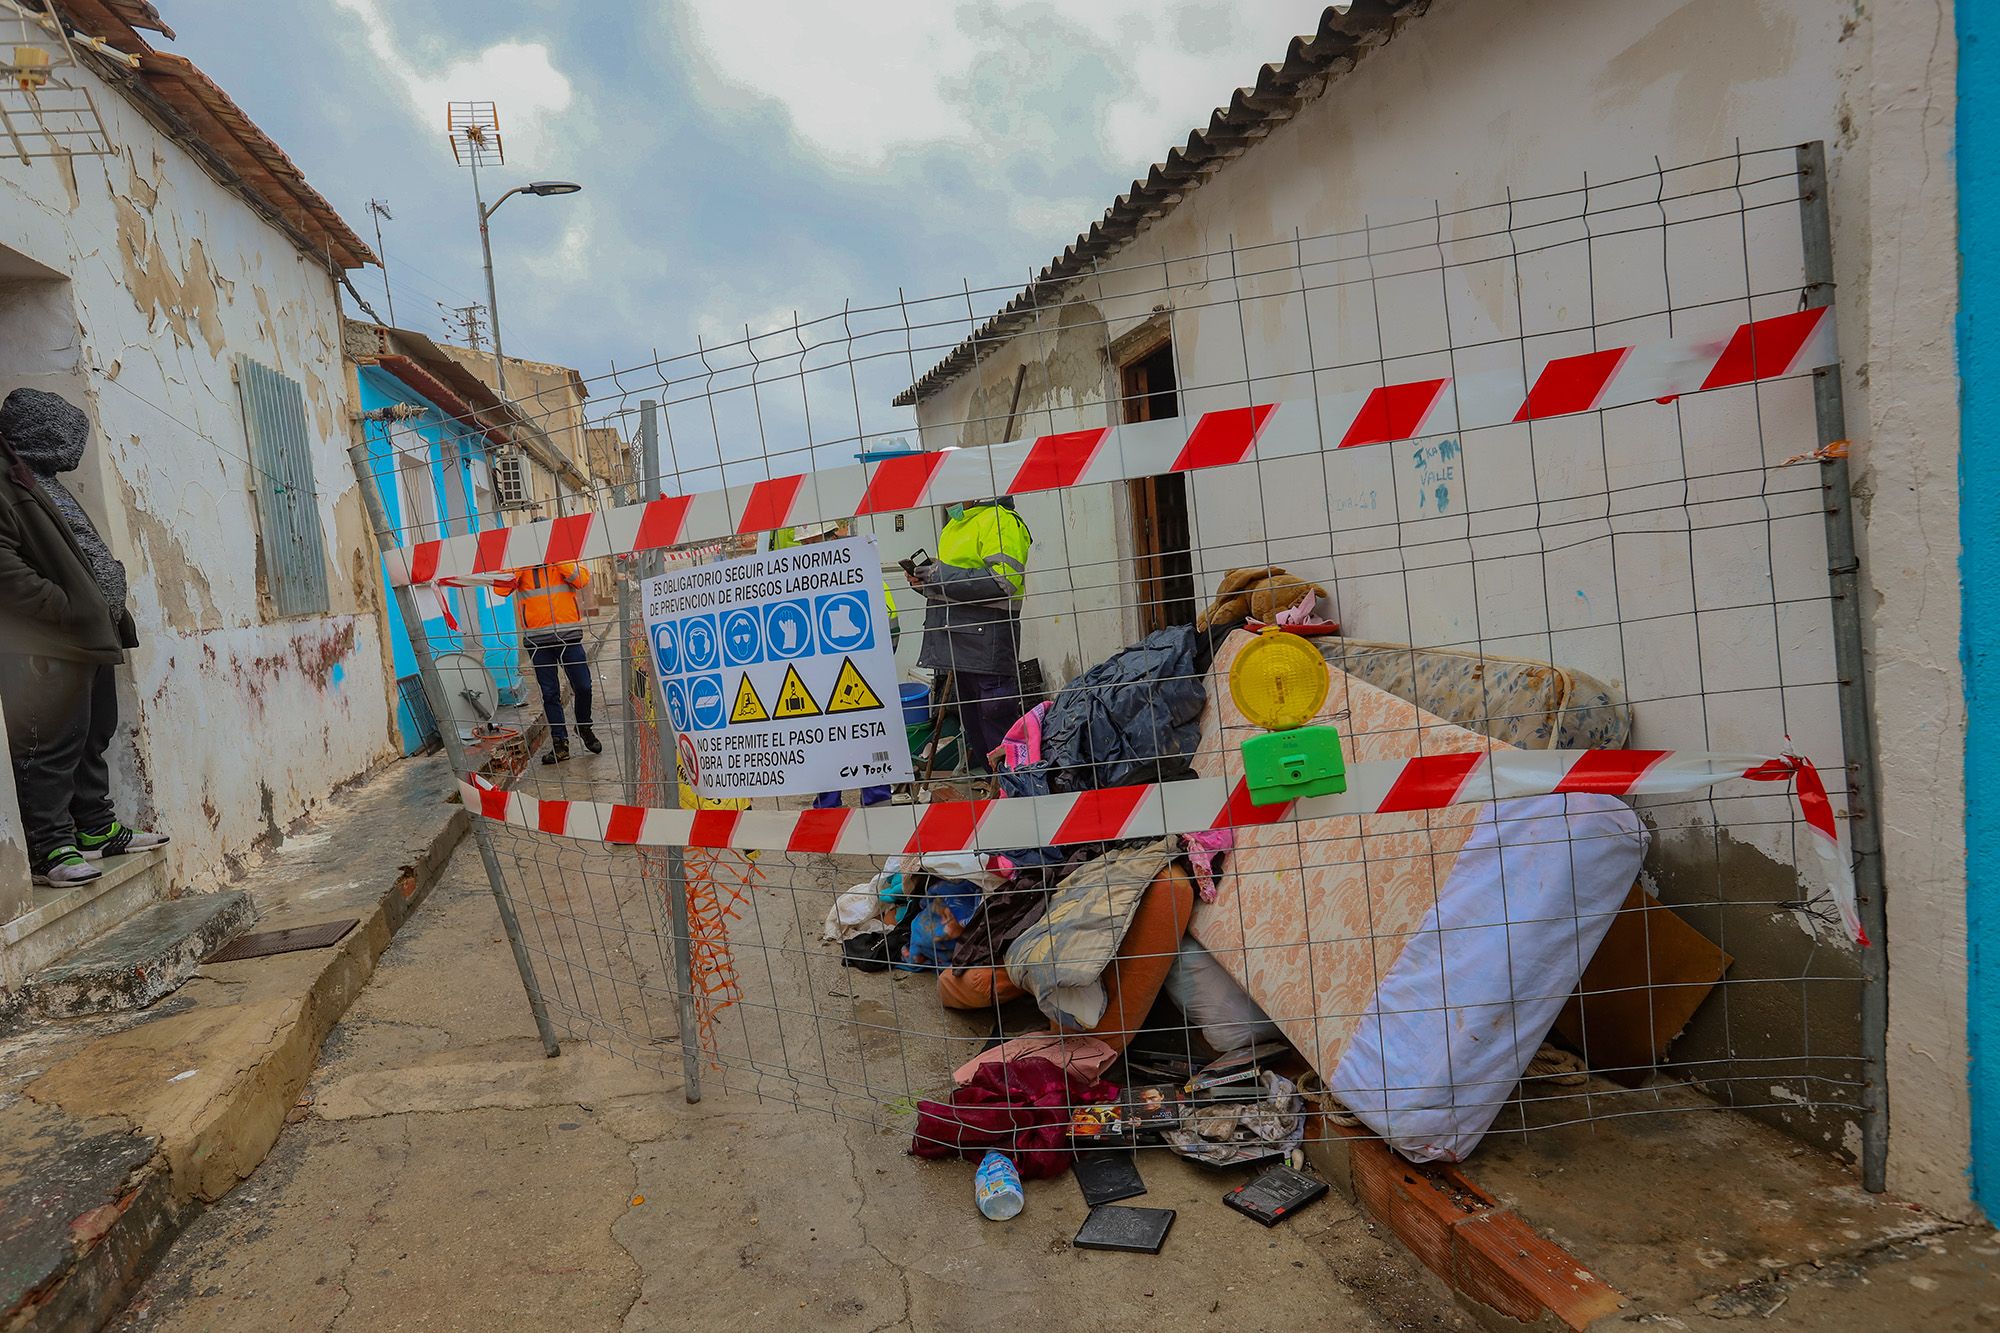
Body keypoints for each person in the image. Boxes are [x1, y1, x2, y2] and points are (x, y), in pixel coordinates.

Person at [0, 388, 167, 887]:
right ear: (36, 436)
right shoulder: (7, 484)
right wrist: (67, 607)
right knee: (47, 747)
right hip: (48, 642)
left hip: (90, 634)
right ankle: (50, 850)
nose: (74, 451)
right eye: (66, 439)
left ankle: (94, 828)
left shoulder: (37, 478)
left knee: (93, 734)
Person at [770, 522, 900, 807]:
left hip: (863, 660)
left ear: (828, 538)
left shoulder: (855, 563)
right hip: (830, 664)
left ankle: (874, 797)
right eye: (803, 545)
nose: (805, 549)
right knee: (827, 734)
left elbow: (888, 625)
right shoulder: (814, 571)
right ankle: (831, 802)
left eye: (809, 543)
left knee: (865, 727)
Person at [910, 498, 1032, 774]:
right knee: (975, 722)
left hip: (988, 640)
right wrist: (926, 582)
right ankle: (998, 784)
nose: (947, 501)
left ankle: (1016, 786)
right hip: (958, 643)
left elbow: (1004, 581)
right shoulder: (954, 525)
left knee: (995, 718)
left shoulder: (999, 521)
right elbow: (955, 588)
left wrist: (939, 575)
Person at [496, 560, 600, 765]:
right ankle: (560, 744)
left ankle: (584, 726)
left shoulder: (563, 557)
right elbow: (501, 588)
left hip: (568, 636)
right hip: (537, 641)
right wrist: (521, 564)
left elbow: (581, 579)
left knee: (583, 686)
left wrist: (556, 559)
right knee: (549, 693)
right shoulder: (519, 563)